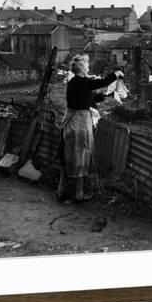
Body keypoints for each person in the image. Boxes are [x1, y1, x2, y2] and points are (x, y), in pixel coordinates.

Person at [57, 55, 124, 203]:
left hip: (70, 123)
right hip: (79, 124)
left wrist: (108, 95)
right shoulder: (83, 81)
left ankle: (61, 191)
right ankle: (78, 195)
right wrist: (116, 74)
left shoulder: (75, 82)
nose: (88, 67)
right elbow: (103, 82)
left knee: (66, 158)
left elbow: (89, 98)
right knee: (81, 157)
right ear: (81, 68)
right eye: (87, 65)